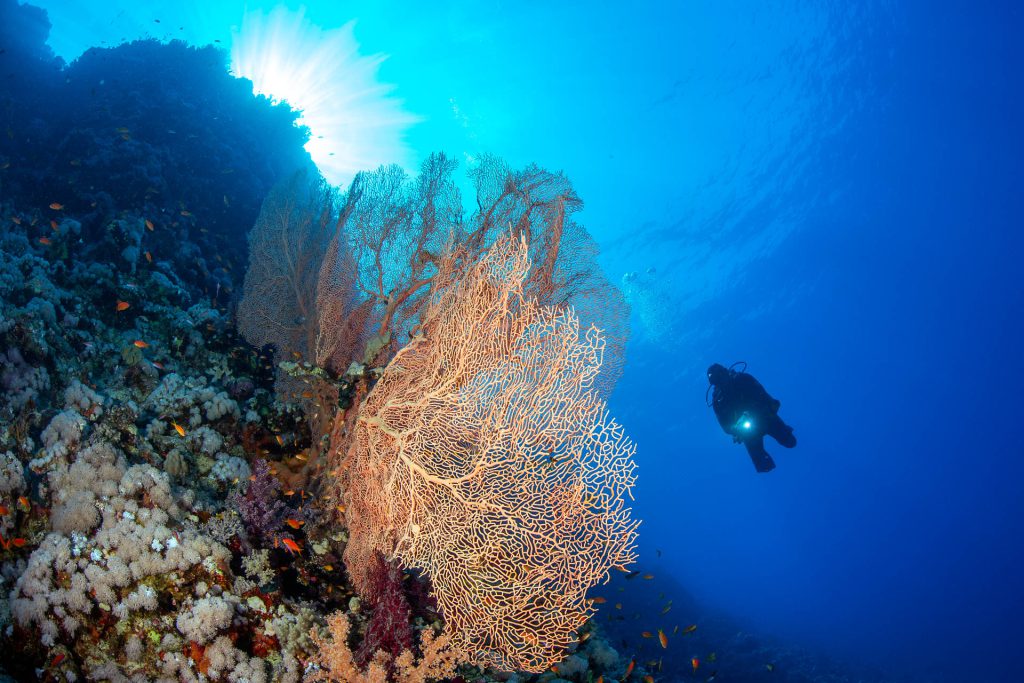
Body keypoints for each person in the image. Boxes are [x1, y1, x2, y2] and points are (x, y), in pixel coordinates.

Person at [707, 363, 796, 472]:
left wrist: (757, 410)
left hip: (764, 417)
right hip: (748, 431)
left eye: (720, 376)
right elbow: (725, 426)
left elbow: (763, 395)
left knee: (791, 442)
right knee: (763, 466)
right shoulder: (718, 401)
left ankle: (785, 431)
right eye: (717, 380)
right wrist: (736, 429)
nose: (721, 381)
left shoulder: (742, 379)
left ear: (725, 371)